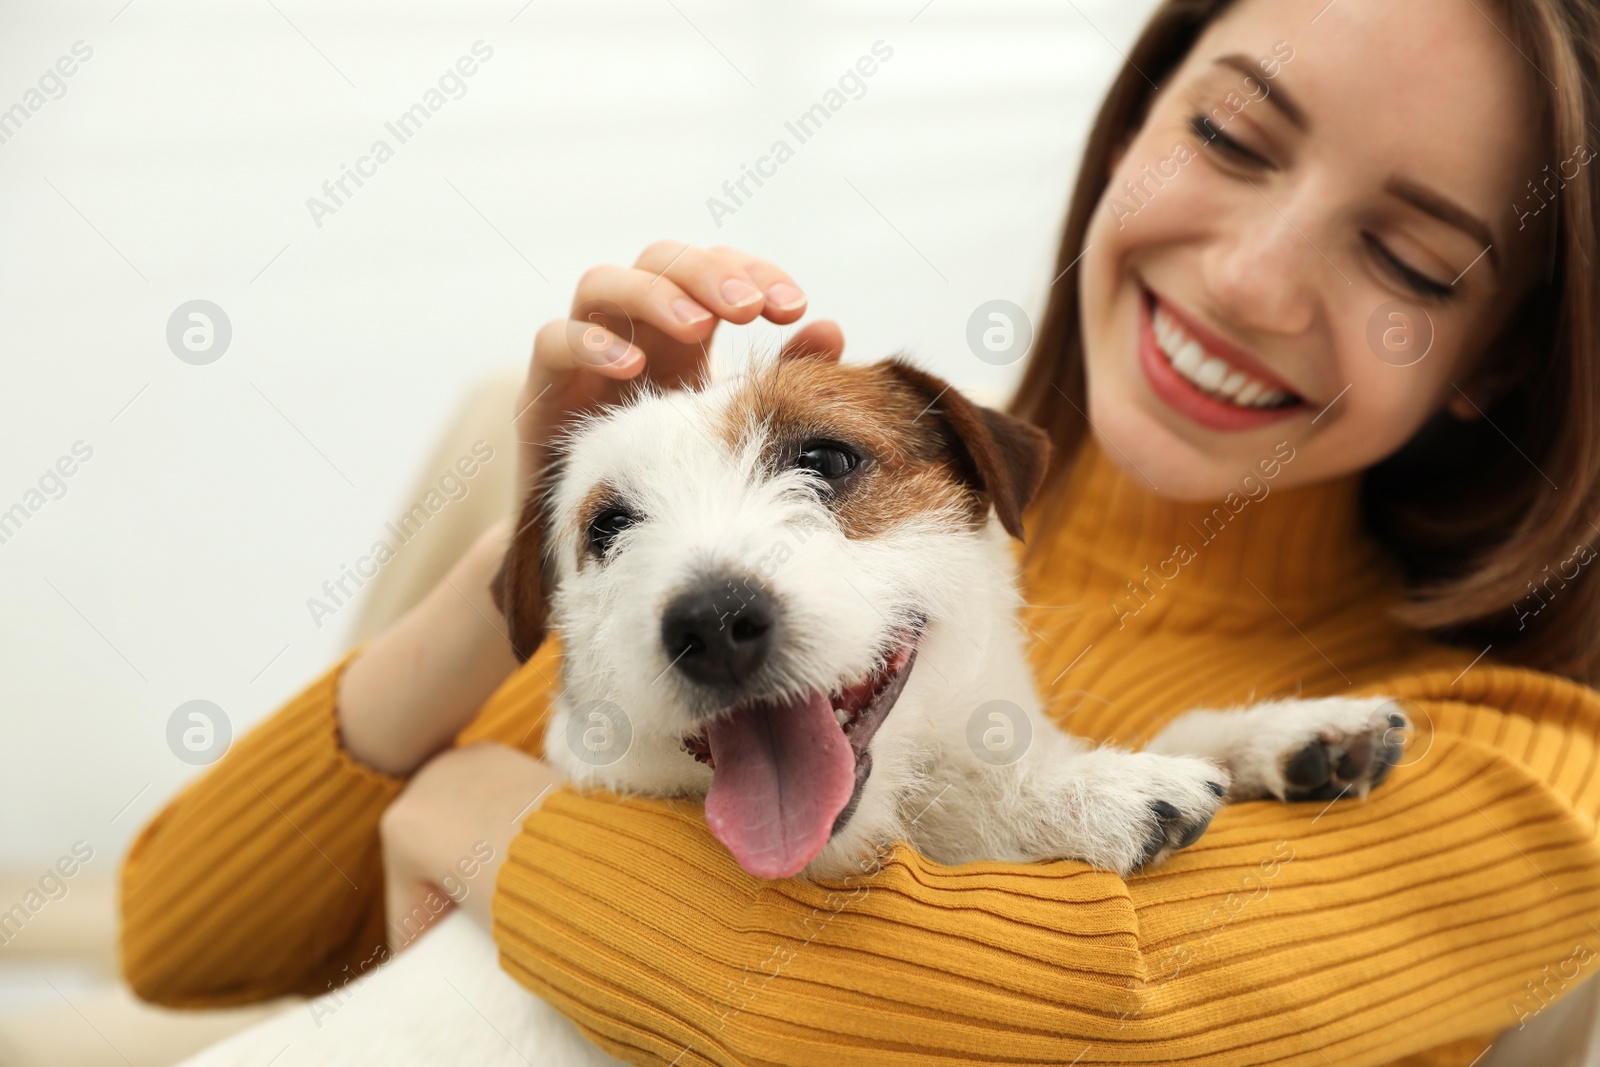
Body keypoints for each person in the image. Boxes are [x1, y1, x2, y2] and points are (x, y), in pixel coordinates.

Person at [120, 0, 1600, 1063]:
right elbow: (176, 941)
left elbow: (1078, 1017)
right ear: (1135, 117)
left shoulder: (1532, 768)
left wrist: (480, 826)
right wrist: (549, 538)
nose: (1255, 281)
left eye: (1409, 253)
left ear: (1501, 364)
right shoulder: (681, 608)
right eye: (1228, 134)